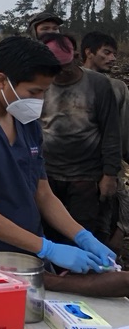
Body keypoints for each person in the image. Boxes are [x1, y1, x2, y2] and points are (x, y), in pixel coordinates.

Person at [0, 36, 128, 295]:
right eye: (34, 91)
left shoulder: (25, 122)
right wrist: (47, 248)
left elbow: (43, 193)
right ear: (2, 80)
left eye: (44, 91)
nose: (40, 99)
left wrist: (82, 236)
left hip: (28, 256)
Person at [39, 32, 121, 248]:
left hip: (85, 177)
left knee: (82, 234)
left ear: (75, 56)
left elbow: (111, 132)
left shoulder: (99, 84)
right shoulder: (40, 84)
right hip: (47, 175)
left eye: (67, 65)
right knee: (48, 235)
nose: (62, 72)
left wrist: (109, 175)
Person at [81, 31, 129, 250]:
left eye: (114, 54)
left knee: (103, 221)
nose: (112, 58)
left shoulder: (118, 88)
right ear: (88, 53)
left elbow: (123, 129)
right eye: (106, 52)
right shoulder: (68, 82)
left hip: (106, 166)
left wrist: (117, 165)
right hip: (74, 166)